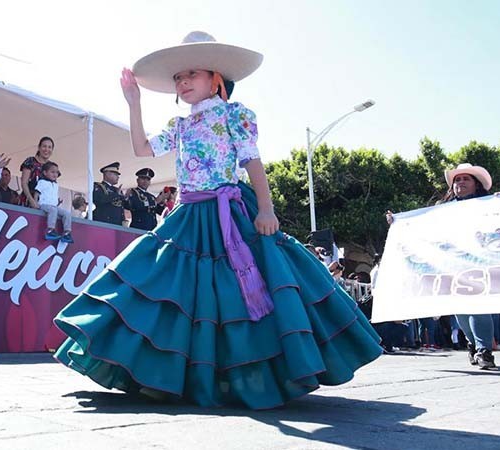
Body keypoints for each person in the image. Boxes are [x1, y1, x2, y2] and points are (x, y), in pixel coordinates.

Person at [53, 31, 381, 409]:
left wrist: (266, 208)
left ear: (216, 79)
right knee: (166, 284)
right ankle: (180, 376)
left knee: (243, 291)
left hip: (232, 212)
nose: (183, 81)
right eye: (178, 77)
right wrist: (134, 102)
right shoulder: (180, 125)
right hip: (189, 214)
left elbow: (252, 162)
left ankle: (249, 377)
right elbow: (142, 148)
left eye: (192, 73)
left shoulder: (235, 115)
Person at [386, 163, 496, 368]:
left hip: (479, 263)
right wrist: (398, 223)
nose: (460, 182)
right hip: (451, 265)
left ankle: (484, 350)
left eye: (466, 179)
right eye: (457, 180)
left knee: (479, 305)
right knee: (460, 308)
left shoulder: (488, 206)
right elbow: (420, 229)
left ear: (477, 184)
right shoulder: (441, 210)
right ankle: (473, 344)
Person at [34, 161, 73, 243]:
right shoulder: (42, 182)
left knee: (67, 213)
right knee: (53, 210)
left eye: (56, 172)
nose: (55, 174)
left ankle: (67, 232)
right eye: (52, 172)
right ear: (45, 172)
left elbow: (52, 196)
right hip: (44, 204)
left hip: (53, 206)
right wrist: (35, 203)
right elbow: (37, 192)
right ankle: (50, 230)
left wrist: (57, 203)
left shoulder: (55, 185)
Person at [20, 136, 54, 208]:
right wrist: (31, 200)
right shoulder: (30, 161)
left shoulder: (51, 166)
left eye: (49, 147)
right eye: (44, 146)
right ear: (39, 148)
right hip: (28, 201)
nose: (46, 149)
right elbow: (24, 183)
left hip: (45, 205)